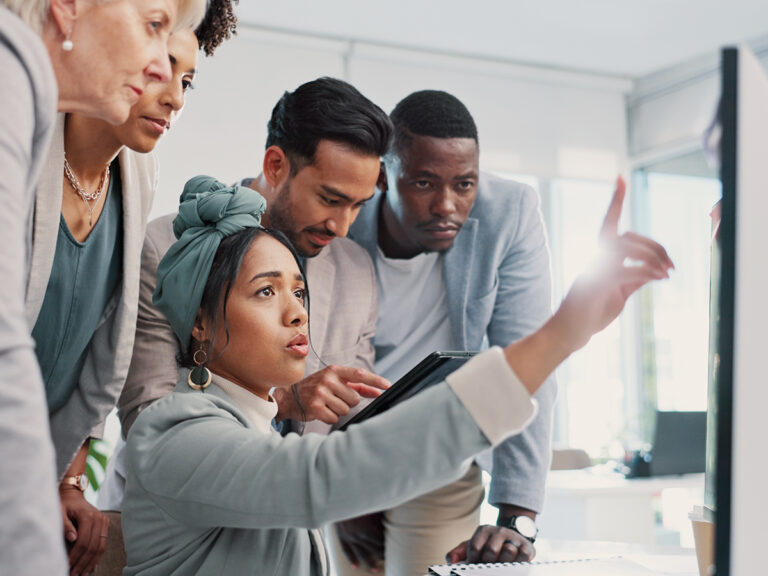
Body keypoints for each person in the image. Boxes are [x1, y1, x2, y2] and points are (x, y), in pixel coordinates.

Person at [121, 174, 673, 576]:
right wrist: (559, 337)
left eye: (298, 289)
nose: (296, 312)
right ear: (199, 322)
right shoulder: (172, 434)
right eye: (266, 291)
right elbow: (324, 478)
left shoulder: (255, 430)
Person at [0, 0, 204, 572]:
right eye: (155, 35)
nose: (172, 92)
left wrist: (67, 482)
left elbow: (93, 361)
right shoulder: (18, 112)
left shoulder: (138, 174)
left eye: (188, 80)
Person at [113, 77, 393, 475]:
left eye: (358, 206)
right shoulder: (165, 246)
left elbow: (352, 418)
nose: (342, 226)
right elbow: (148, 417)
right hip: (177, 516)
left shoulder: (356, 270)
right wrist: (283, 400)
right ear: (275, 165)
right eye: (330, 199)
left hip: (294, 525)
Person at [339, 89, 555, 574]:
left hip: (439, 451)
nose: (447, 205)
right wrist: (341, 485)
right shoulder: (343, 217)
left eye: (464, 184)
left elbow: (528, 361)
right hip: (339, 446)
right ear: (382, 176)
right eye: (422, 183)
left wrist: (516, 518)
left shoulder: (510, 213)